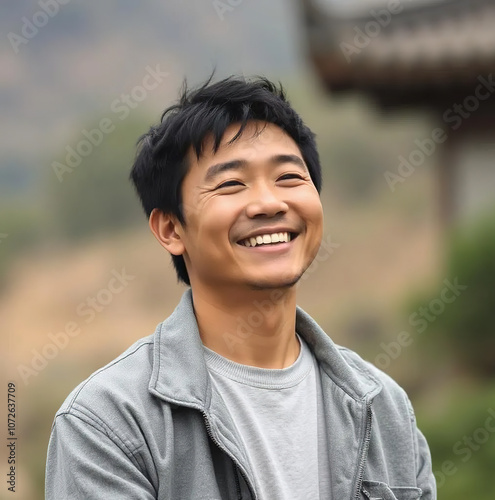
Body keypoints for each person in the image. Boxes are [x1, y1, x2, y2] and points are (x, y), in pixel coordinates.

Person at [45, 75, 437, 499]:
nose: (269, 203)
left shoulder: (385, 409)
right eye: (231, 184)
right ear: (171, 228)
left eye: (288, 177)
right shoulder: (108, 424)